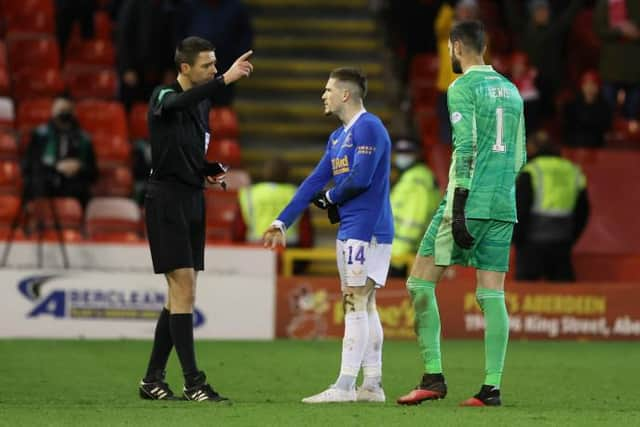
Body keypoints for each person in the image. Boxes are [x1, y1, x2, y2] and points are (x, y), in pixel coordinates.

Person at [396, 21, 526, 407]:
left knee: (419, 284)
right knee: (492, 293)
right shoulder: (512, 90)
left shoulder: (461, 87)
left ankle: (433, 377)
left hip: (466, 202)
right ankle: (491, 388)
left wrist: (458, 207)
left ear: (455, 47)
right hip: (503, 203)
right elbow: (518, 156)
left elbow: (465, 145)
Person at [263, 68, 394, 404]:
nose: (323, 95)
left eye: (328, 89)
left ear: (346, 95)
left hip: (367, 230)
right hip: (352, 229)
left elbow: (362, 178)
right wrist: (282, 221)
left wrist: (332, 198)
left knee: (354, 301)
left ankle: (345, 386)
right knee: (365, 303)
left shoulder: (369, 127)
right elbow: (312, 182)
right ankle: (373, 385)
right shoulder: (337, 138)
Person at [138, 36, 253, 402]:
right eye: (208, 65)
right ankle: (193, 382)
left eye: (216, 64)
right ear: (185, 68)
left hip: (191, 197)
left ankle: (152, 379)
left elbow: (185, 148)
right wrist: (225, 81)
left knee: (180, 295)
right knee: (183, 289)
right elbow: (175, 104)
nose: (215, 70)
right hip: (166, 199)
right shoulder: (162, 95)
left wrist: (205, 170)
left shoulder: (201, 107)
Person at [514, 131, 590, 281]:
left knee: (525, 295)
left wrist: (518, 240)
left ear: (532, 149)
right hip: (562, 243)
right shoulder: (572, 170)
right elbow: (583, 211)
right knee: (563, 297)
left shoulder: (531, 170)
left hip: (531, 245)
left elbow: (519, 209)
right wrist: (571, 238)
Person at [22, 96, 97, 208]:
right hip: (46, 184)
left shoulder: (84, 139)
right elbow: (28, 166)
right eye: (60, 111)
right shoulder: (40, 135)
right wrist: (56, 167)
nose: (64, 115)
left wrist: (79, 166)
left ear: (73, 113)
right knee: (36, 183)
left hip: (74, 187)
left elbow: (94, 173)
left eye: (67, 111)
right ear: (53, 112)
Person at [235, 156, 313, 250]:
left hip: (256, 248)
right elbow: (305, 231)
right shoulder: (297, 194)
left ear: (265, 172)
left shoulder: (249, 194)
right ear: (287, 173)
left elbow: (239, 229)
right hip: (288, 250)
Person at [389, 139, 440, 277]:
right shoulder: (409, 177)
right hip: (403, 252)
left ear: (417, 154)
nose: (402, 156)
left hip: (404, 255)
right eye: (399, 152)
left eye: (407, 152)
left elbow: (414, 219)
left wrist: (398, 252)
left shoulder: (417, 179)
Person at [593, 0, 640, 132]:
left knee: (632, 108)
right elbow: (599, 30)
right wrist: (620, 31)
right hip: (611, 66)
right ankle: (608, 133)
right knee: (608, 106)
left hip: (634, 66)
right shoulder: (603, 5)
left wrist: (632, 31)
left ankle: (629, 137)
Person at [563, 70, 612, 148]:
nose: (589, 88)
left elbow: (605, 128)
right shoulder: (572, 105)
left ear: (598, 87)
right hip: (575, 143)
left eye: (593, 85)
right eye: (586, 84)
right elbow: (568, 127)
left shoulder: (604, 107)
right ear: (582, 86)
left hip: (596, 144)